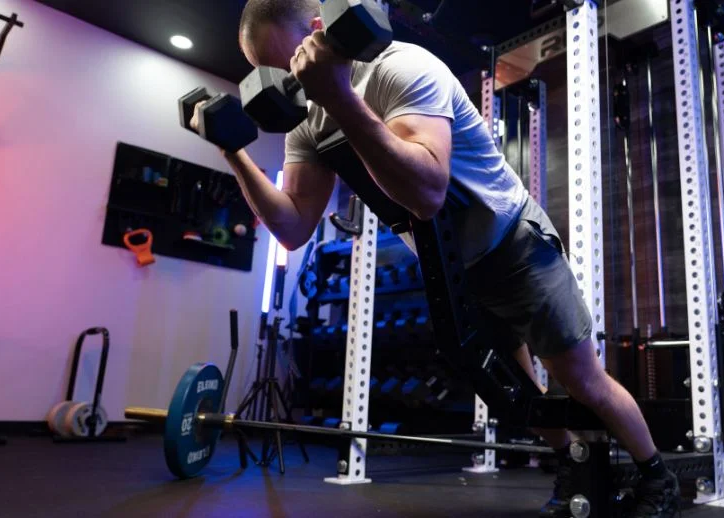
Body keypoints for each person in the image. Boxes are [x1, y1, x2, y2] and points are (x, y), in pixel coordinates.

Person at [194, 1, 681, 516]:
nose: (287, 82)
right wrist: (233, 152)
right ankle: (570, 463)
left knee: (582, 379)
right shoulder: (307, 120)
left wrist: (337, 97)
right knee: (513, 391)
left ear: (317, 33)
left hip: (513, 242)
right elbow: (292, 226)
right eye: (270, 73)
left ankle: (656, 475)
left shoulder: (401, 67)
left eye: (288, 62)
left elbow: (427, 191)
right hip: (459, 268)